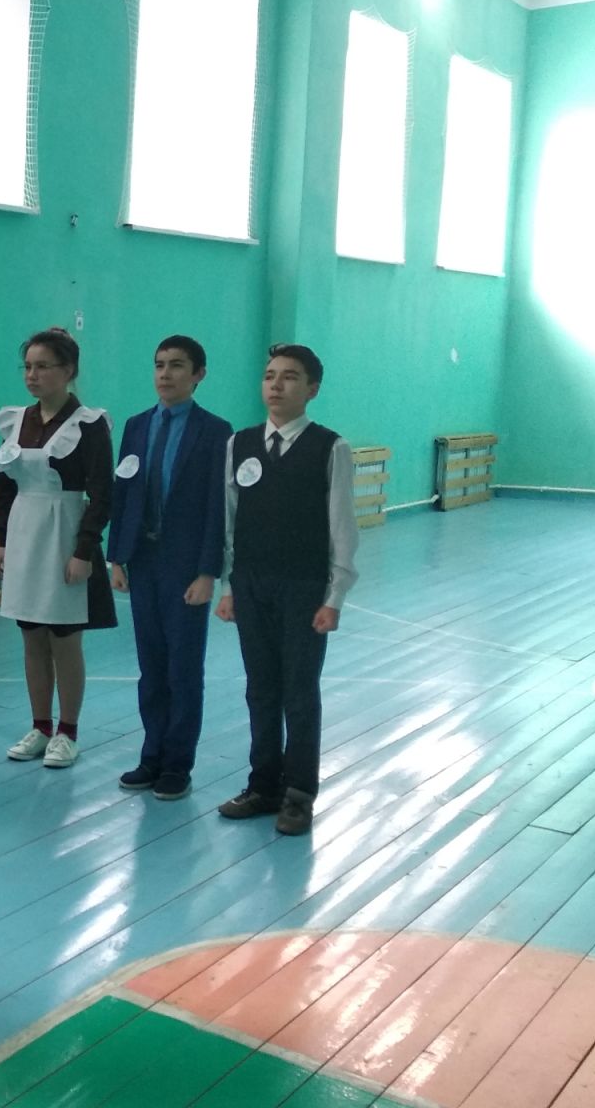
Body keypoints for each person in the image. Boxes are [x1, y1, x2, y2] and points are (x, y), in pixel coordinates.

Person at [214, 343, 358, 836]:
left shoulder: (330, 448)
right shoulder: (239, 444)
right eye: (270, 375)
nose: (276, 385)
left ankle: (298, 794)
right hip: (251, 585)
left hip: (303, 587)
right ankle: (263, 786)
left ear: (312, 389)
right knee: (260, 689)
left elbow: (342, 527)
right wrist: (230, 586)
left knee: (298, 692)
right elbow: (230, 520)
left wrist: (333, 597)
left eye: (290, 377)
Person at [107, 336, 232, 802]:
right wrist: (117, 556)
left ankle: (178, 762)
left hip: (185, 566)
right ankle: (151, 755)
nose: (165, 374)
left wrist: (207, 571)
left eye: (177, 365)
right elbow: (124, 491)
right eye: (159, 364)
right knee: (151, 665)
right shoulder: (137, 426)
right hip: (143, 561)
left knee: (183, 667)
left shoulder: (215, 432)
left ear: (198, 375)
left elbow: (216, 507)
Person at [0, 328, 117, 770]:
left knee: (64, 638)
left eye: (43, 366)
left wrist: (84, 550)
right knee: (31, 634)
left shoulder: (89, 424)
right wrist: (0, 540)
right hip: (24, 534)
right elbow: (5, 487)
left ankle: (68, 731)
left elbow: (102, 494)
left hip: (64, 535)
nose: (32, 375)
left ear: (68, 371)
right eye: (27, 366)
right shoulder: (14, 421)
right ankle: (40, 726)